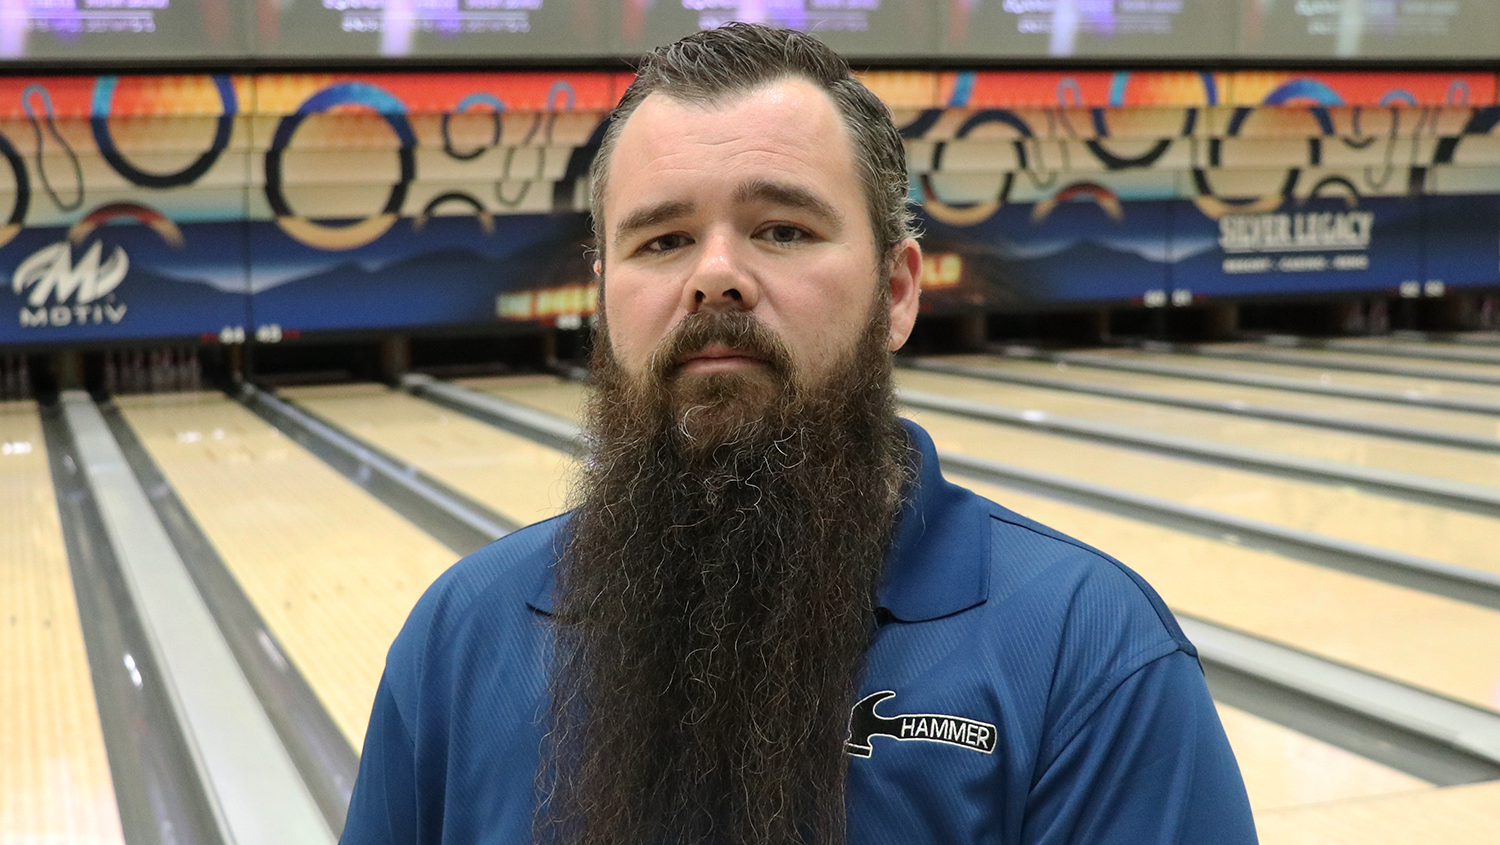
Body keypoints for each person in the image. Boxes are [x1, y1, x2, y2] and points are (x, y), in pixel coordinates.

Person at [340, 23, 1258, 845]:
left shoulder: (1084, 652)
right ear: (604, 293)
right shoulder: (462, 637)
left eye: (781, 229)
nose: (715, 276)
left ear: (896, 291)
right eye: (661, 240)